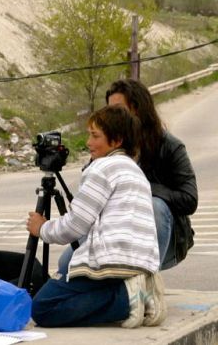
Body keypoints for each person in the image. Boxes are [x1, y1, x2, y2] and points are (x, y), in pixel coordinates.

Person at [27, 105, 166, 328]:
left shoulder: (101, 168)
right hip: (142, 263)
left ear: (117, 139)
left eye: (95, 136)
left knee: (44, 307)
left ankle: (127, 300)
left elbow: (75, 225)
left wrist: (41, 229)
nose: (88, 142)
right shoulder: (134, 170)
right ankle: (136, 293)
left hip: (113, 260)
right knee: (69, 288)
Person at [57, 79, 198, 275]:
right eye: (109, 110)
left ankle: (145, 281)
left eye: (119, 109)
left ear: (138, 110)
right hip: (112, 233)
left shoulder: (170, 146)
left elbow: (189, 200)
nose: (113, 116)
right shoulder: (108, 144)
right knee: (66, 267)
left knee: (155, 205)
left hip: (159, 237)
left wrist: (142, 188)